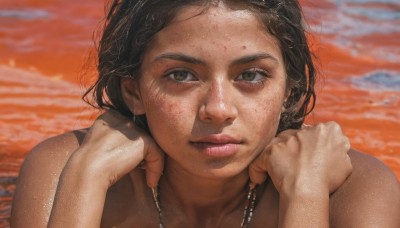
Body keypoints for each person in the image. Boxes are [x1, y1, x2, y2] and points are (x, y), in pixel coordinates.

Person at [11, 0, 399, 227]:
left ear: (290, 91)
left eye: (250, 75)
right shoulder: (66, 170)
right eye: (181, 75)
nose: (218, 109)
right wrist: (85, 178)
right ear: (134, 91)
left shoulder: (353, 192)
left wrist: (305, 193)